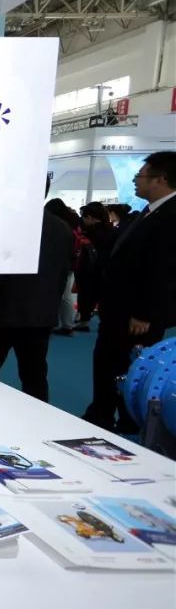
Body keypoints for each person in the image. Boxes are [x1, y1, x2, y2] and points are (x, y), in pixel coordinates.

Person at [83, 152, 176, 433]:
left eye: (141, 176)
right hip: (119, 310)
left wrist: (144, 313)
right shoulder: (148, 212)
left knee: (127, 366)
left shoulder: (170, 216)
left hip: (137, 316)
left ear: (161, 179)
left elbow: (163, 270)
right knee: (108, 361)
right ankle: (103, 413)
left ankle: (124, 419)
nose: (136, 181)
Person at [0, 198, 73, 402]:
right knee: (34, 375)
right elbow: (63, 273)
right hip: (39, 314)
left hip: (2, 312)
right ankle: (38, 417)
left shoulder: (6, 223)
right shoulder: (61, 228)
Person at [73, 202, 114, 330]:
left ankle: (84, 321)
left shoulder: (89, 232)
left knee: (85, 295)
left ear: (90, 217)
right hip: (105, 269)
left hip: (88, 269)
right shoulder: (111, 230)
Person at [45, 199, 79, 335]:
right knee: (66, 296)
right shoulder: (71, 225)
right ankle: (67, 324)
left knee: (62, 297)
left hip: (59, 266)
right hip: (68, 265)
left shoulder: (58, 227)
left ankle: (64, 325)